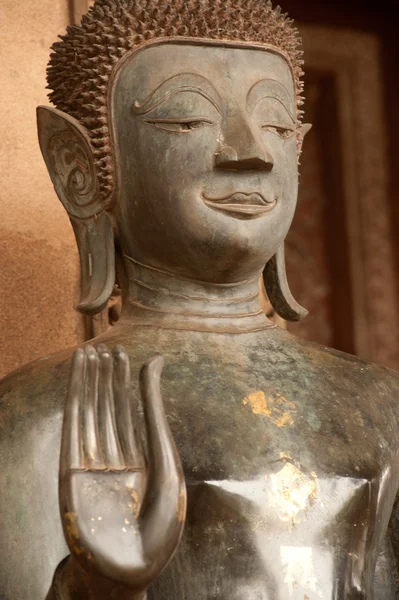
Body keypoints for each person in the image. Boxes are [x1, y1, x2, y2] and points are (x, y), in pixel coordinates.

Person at [0, 1, 398, 598]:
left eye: (275, 125)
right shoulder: (43, 409)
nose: (249, 152)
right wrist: (95, 584)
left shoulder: (381, 400)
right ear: (79, 168)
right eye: (187, 119)